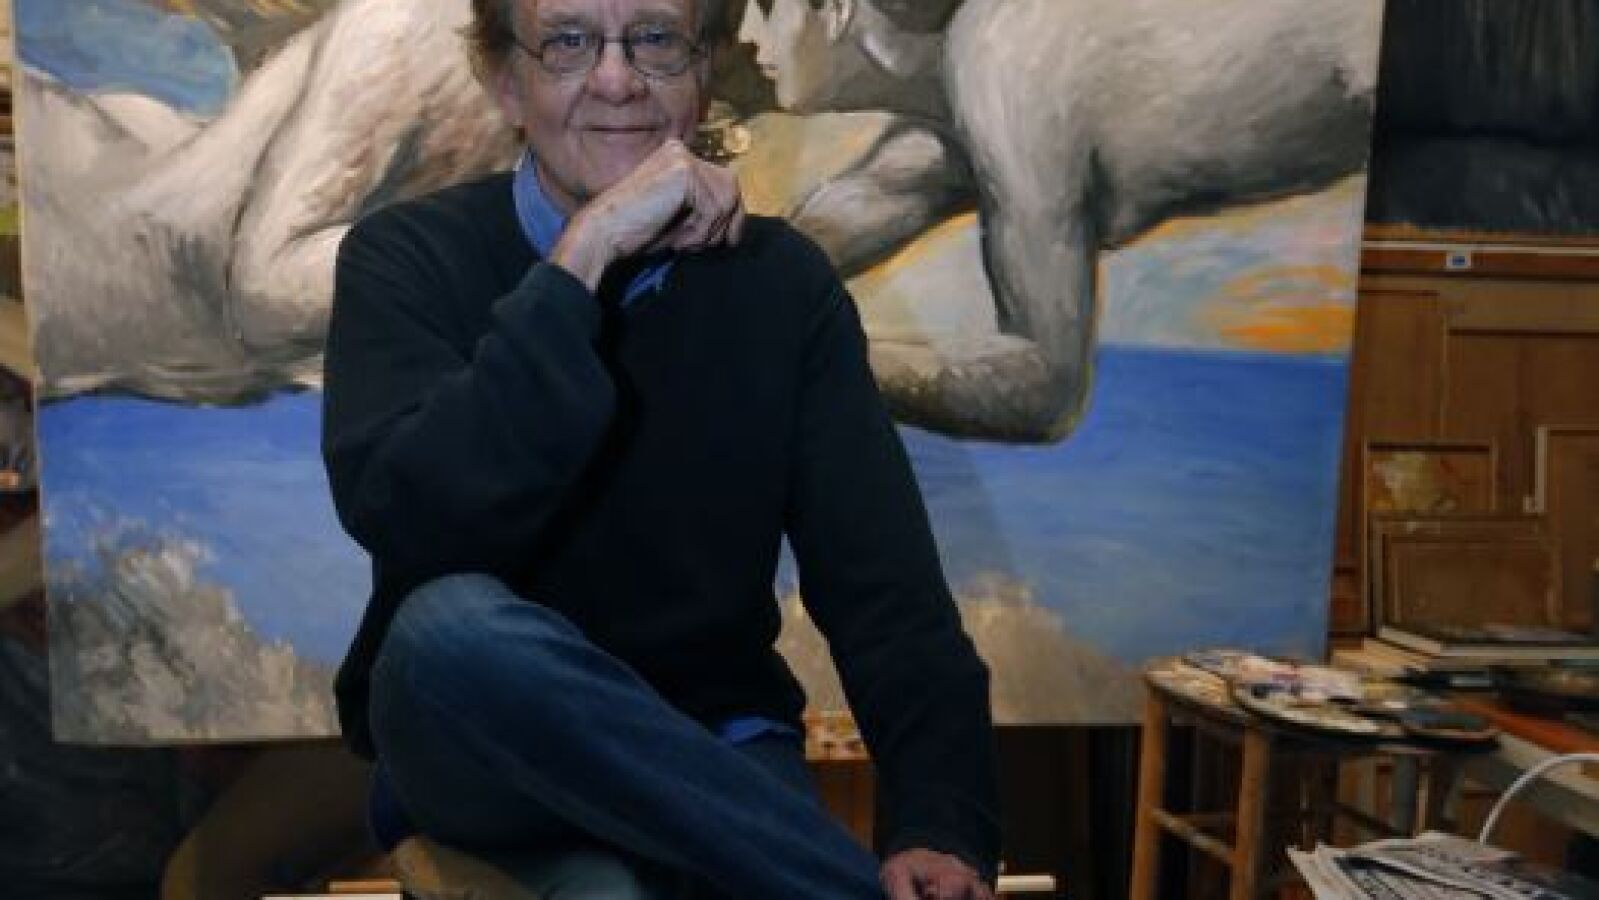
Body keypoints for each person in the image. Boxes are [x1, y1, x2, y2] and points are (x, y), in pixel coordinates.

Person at [319, 0, 1000, 897]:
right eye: (569, 42)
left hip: (712, 742)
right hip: (482, 742)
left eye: (655, 39)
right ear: (506, 81)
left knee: (608, 892)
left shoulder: (781, 284)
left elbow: (886, 591)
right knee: (447, 628)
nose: (616, 79)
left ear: (704, 70)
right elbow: (410, 514)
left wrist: (940, 823)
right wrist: (581, 258)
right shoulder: (404, 257)